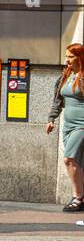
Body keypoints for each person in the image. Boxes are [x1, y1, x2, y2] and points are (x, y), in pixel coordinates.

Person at [47, 42, 84, 212]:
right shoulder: (65, 77)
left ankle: (78, 197)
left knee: (68, 159)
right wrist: (51, 119)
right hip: (68, 125)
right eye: (66, 56)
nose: (67, 60)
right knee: (78, 162)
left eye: (71, 56)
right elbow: (58, 101)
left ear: (80, 58)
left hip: (82, 125)